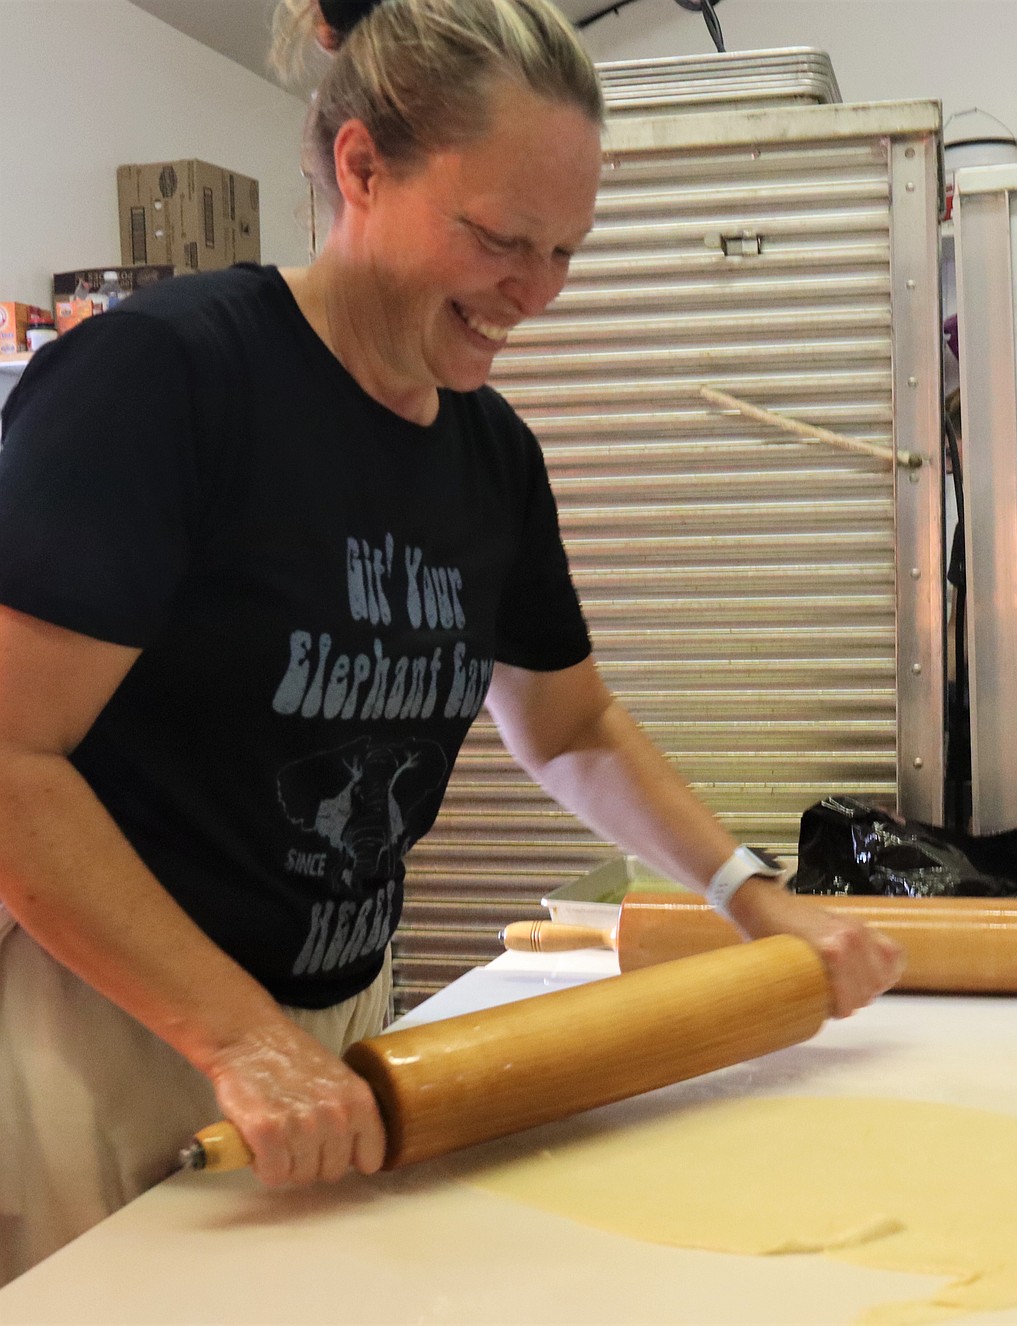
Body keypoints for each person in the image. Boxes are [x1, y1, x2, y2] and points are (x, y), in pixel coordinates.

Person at [0, 0, 903, 1285]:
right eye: (497, 239)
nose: (531, 295)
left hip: (342, 1020)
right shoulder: (168, 380)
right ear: (362, 168)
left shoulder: (490, 455)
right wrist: (240, 1040)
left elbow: (570, 724)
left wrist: (761, 904)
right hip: (116, 1030)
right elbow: (11, 757)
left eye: (564, 253)